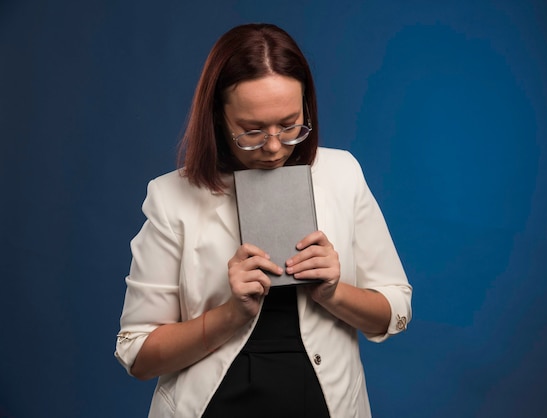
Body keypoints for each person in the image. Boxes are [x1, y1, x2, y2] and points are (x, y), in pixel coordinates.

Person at [115, 23, 412, 418]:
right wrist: (230, 314)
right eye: (251, 131)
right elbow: (138, 354)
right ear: (218, 117)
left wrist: (334, 293)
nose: (274, 148)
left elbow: (395, 308)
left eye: (290, 125)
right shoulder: (172, 197)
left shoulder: (342, 173)